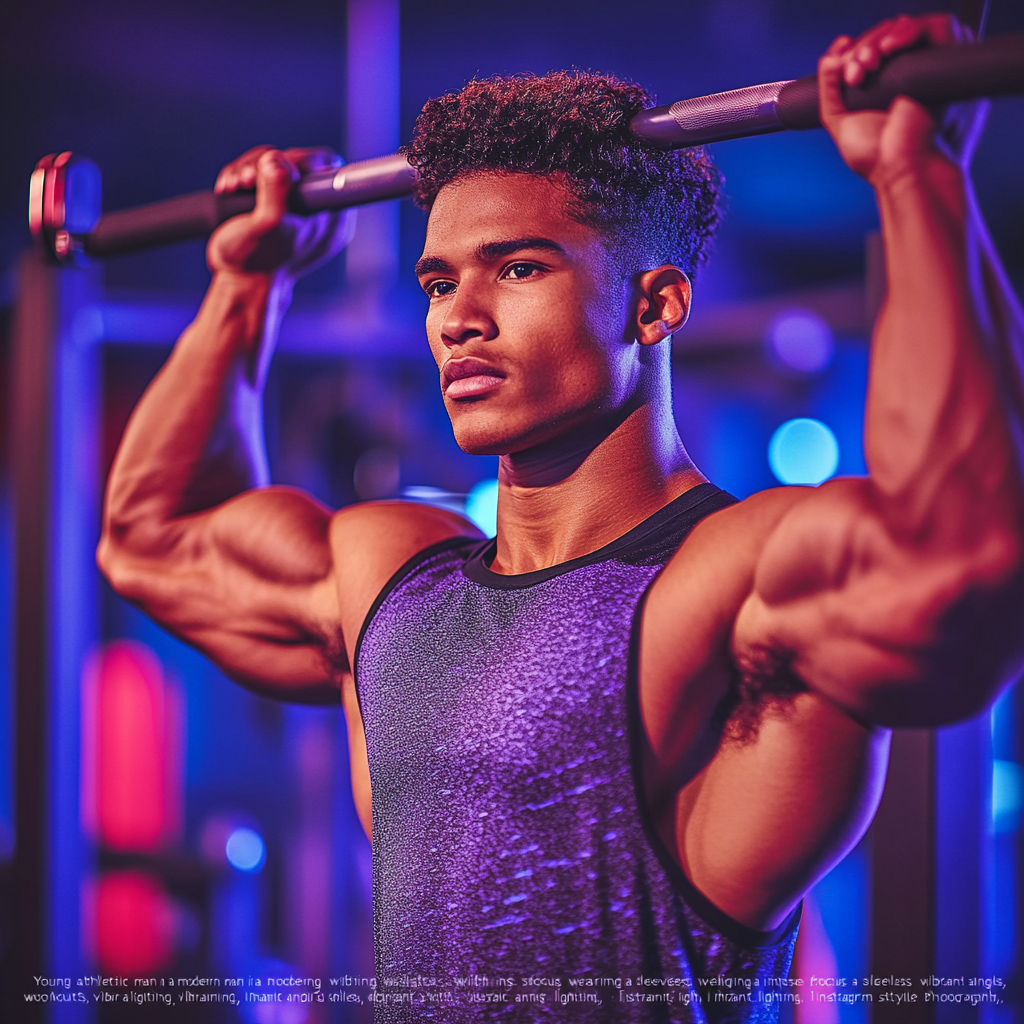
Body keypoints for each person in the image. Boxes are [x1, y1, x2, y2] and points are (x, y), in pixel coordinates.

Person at [98, 13, 1024, 1022]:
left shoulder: (727, 581)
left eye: (520, 267)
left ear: (654, 305)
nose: (459, 315)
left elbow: (963, 559)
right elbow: (152, 536)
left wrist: (915, 180)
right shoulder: (391, 578)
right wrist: (245, 285)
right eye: (440, 280)